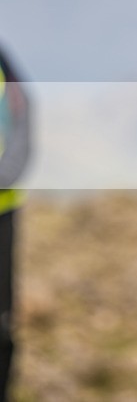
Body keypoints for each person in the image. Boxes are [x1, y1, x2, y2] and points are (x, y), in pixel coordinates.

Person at [0, 43, 31, 402]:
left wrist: (5, 174)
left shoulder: (3, 61)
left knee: (2, 322)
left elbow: (23, 116)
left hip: (2, 211)